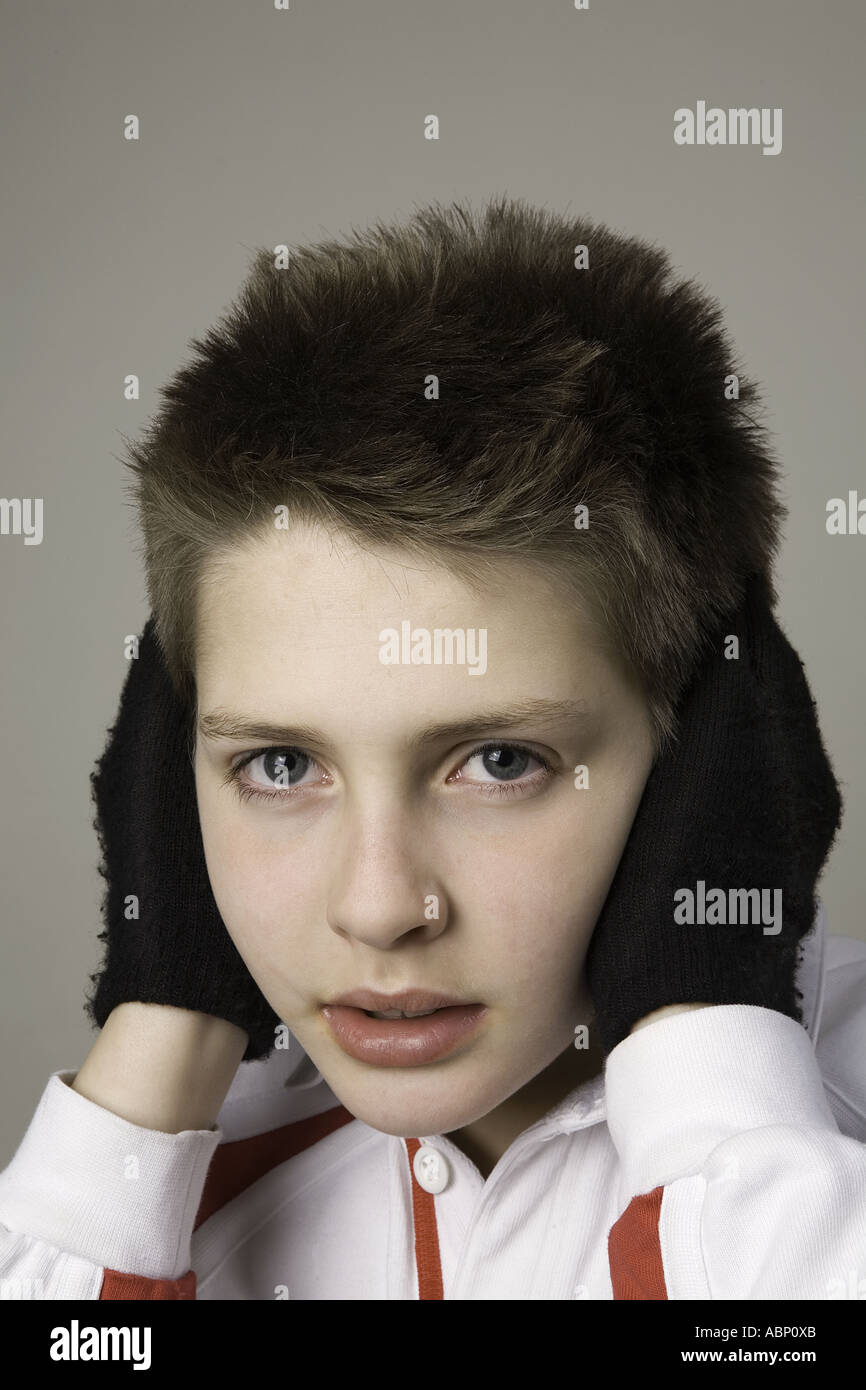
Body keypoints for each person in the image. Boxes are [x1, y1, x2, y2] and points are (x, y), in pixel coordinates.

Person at [1, 196, 864, 1299]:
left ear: (712, 755)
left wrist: (710, 1026)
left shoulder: (812, 1159)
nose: (377, 907)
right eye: (279, 764)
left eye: (499, 762)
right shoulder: (149, 1193)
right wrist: (160, 1021)